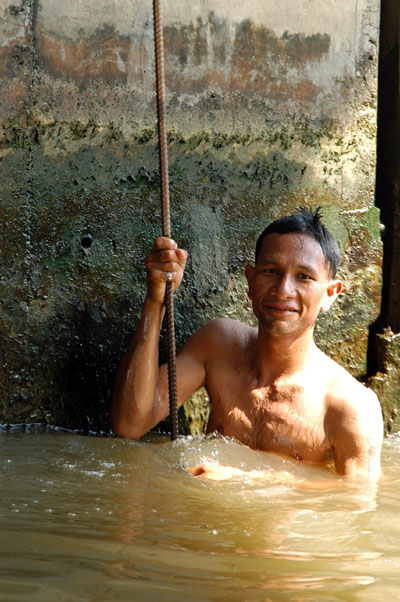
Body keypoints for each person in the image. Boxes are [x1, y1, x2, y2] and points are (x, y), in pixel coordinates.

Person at [110, 208, 383, 482]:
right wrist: (156, 300)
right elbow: (129, 425)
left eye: (304, 277)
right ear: (250, 281)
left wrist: (246, 479)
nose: (283, 289)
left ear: (329, 294)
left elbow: (356, 498)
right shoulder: (219, 345)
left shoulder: (350, 405)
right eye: (271, 271)